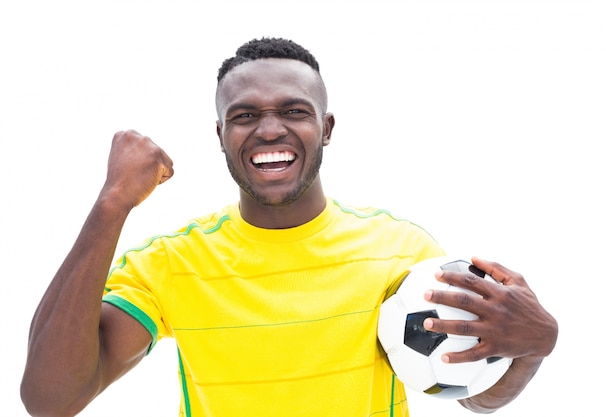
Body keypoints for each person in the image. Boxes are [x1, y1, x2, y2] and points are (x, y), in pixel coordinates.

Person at [20, 37, 558, 417]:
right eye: (245, 115)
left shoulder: (401, 251)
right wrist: (111, 205)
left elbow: (464, 392)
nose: (269, 129)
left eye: (294, 111)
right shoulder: (168, 263)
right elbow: (50, 400)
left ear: (325, 129)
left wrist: (532, 348)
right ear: (220, 133)